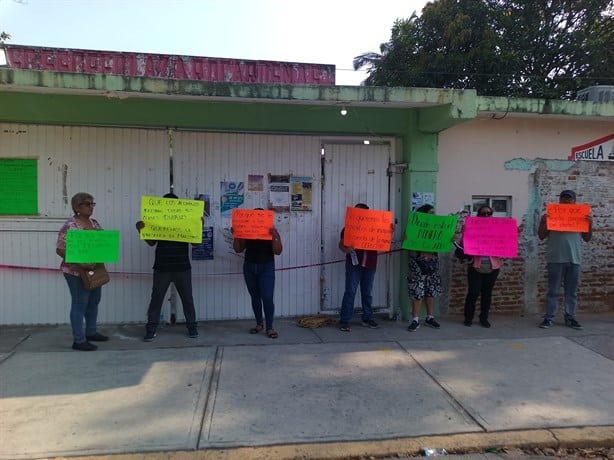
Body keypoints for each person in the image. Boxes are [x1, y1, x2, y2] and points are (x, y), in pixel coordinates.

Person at [136, 193, 199, 341]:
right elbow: (152, 243)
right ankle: (151, 329)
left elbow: (195, 244)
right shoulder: (156, 221)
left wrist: (198, 227)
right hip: (161, 268)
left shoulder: (187, 222)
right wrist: (141, 230)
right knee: (156, 299)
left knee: (187, 299)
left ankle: (192, 328)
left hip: (182, 267)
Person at [56, 192, 109, 351]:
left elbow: (102, 244)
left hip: (94, 269)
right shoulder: (70, 225)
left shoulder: (95, 223)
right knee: (80, 303)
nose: (91, 207)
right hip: (76, 271)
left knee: (94, 301)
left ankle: (91, 332)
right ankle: (78, 340)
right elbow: (60, 249)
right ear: (77, 207)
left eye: (92, 204)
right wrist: (81, 262)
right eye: (87, 204)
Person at [538, 189, 592, 330]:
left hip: (574, 259)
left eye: (569, 198)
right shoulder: (551, 215)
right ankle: (549, 318)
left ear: (574, 201)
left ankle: (570, 317)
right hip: (555, 258)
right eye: (564, 198)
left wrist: (589, 224)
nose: (567, 200)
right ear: (560, 200)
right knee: (553, 291)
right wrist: (543, 222)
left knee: (571, 292)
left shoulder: (581, 216)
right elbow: (541, 236)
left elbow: (587, 238)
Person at [338, 203, 394, 332]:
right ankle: (345, 320)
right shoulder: (348, 228)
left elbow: (384, 241)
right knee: (350, 292)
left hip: (370, 263)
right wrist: (346, 249)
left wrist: (389, 231)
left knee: (367, 292)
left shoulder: (376, 227)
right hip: (354, 264)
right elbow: (340, 245)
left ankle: (367, 318)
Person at [232, 212, 283, 339]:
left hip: (266, 267)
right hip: (249, 267)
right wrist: (236, 235)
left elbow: (278, 251)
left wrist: (275, 236)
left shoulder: (272, 233)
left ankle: (270, 327)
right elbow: (238, 249)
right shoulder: (247, 232)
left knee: (267, 297)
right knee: (255, 297)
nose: (257, 223)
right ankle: (259, 324)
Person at [462, 205, 502, 328]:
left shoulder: (497, 230)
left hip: (492, 266)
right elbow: (462, 249)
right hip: (476, 266)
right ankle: (468, 318)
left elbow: (504, 245)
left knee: (487, 294)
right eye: (483, 213)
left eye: (488, 213)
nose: (486, 216)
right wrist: (465, 235)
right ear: (478, 215)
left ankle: (484, 318)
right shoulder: (471, 229)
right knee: (473, 293)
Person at [407, 204, 442, 332]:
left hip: (433, 264)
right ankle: (415, 319)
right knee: (417, 292)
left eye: (434, 212)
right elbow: (407, 243)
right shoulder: (414, 227)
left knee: (431, 292)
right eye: (430, 212)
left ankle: (430, 317)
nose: (433, 215)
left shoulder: (438, 228)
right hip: (417, 265)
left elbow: (443, 242)